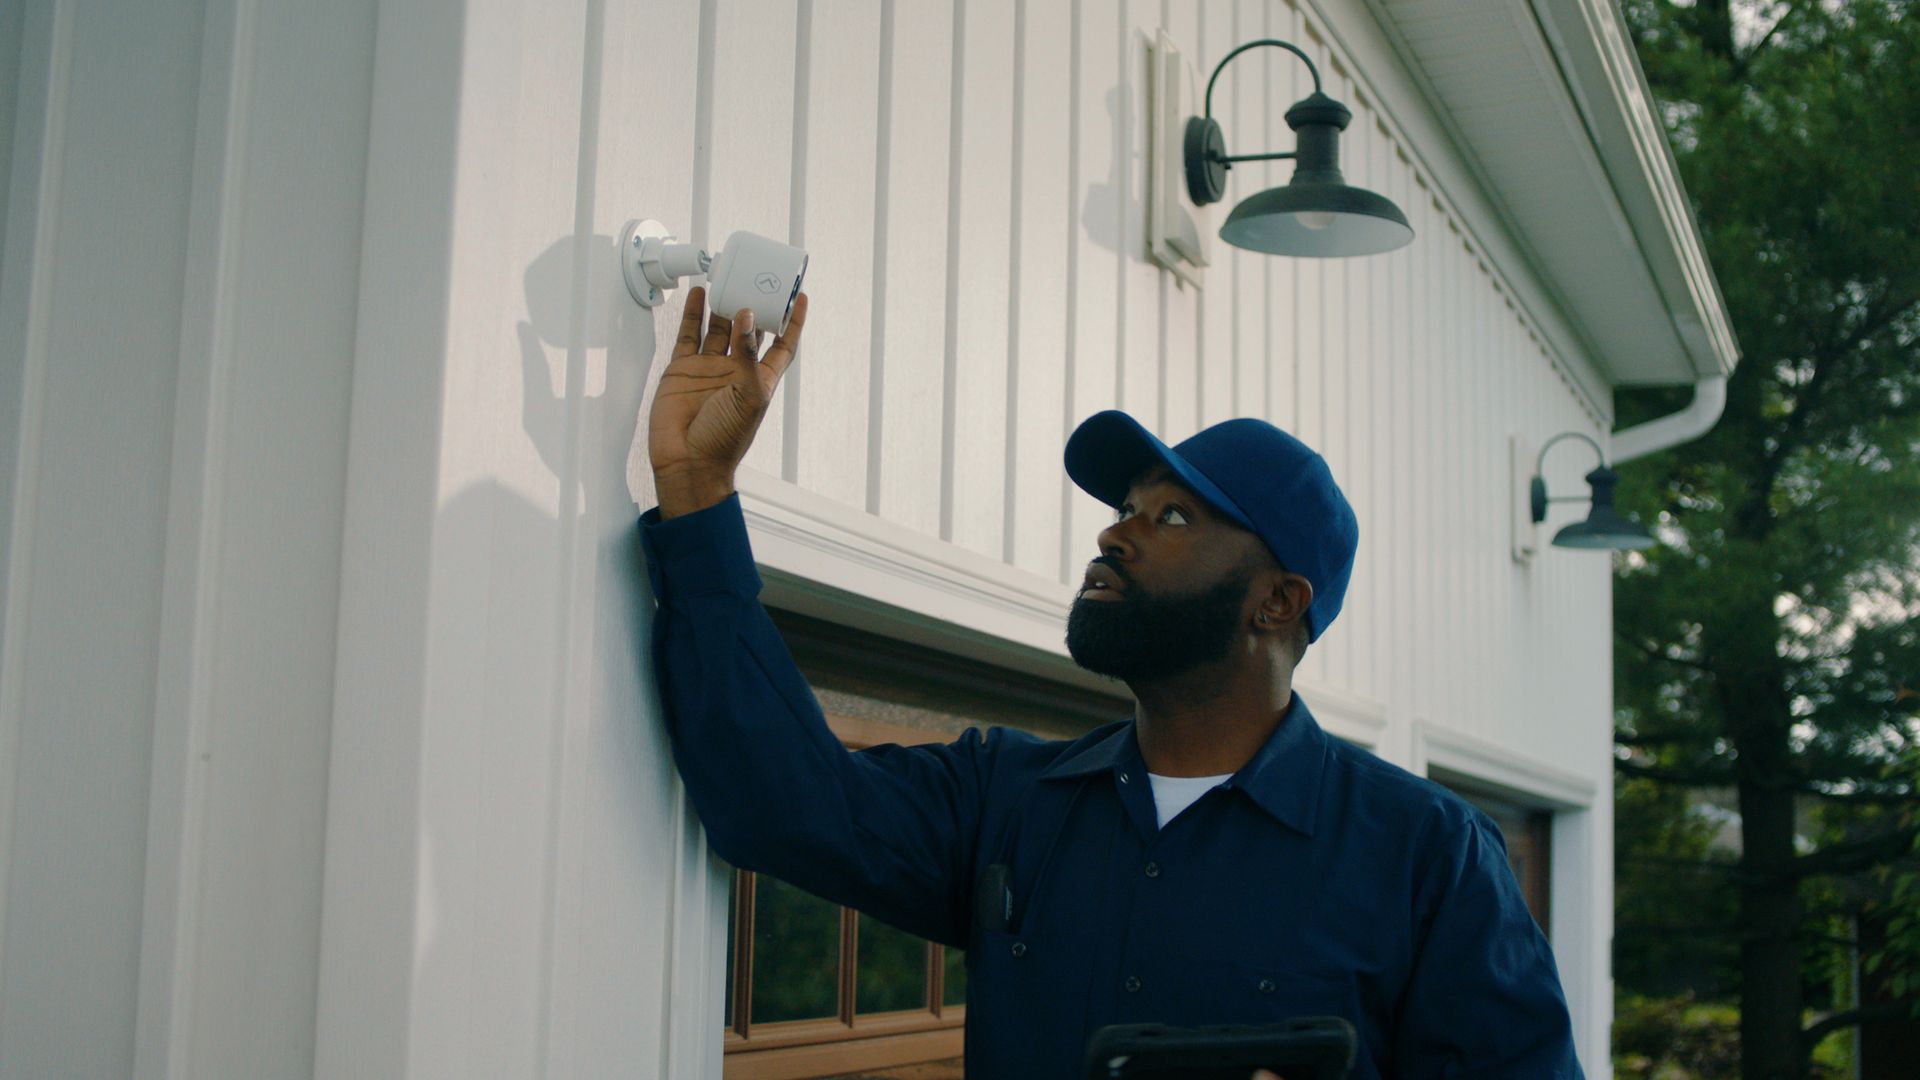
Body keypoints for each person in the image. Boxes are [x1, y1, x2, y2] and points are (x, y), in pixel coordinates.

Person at [639, 287, 1584, 1079]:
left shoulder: (1428, 856)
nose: (1113, 533)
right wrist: (697, 493)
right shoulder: (1005, 802)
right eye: (1128, 507)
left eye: (1173, 518)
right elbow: (780, 800)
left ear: (1276, 603)